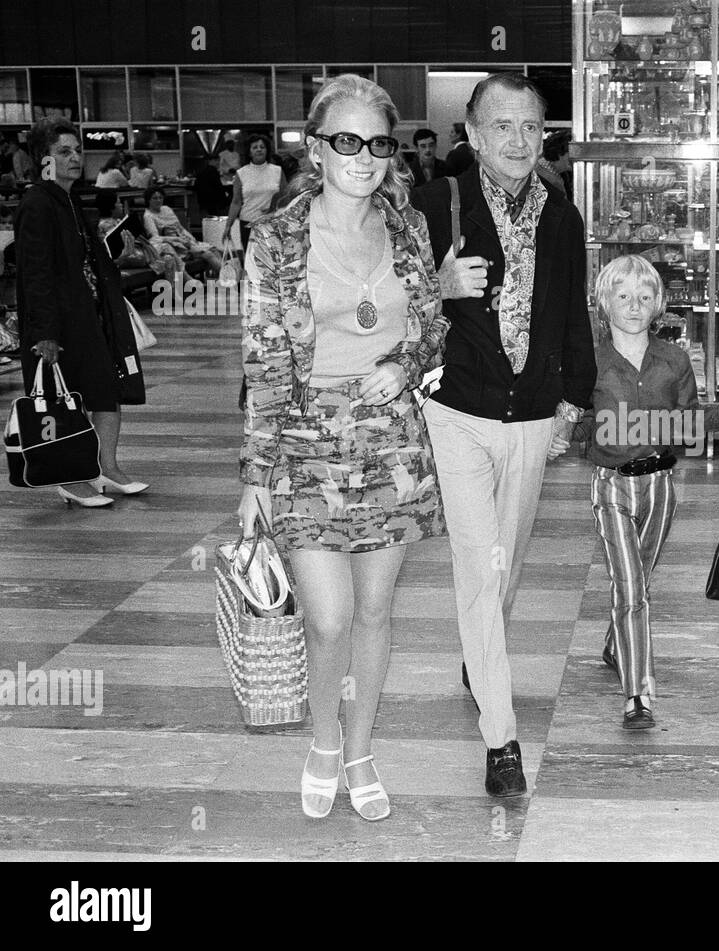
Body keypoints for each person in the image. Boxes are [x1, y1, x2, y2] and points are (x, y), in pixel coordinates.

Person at [237, 74, 449, 823]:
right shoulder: (276, 238)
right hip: (302, 443)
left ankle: (361, 748)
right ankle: (323, 741)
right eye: (347, 141)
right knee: (325, 618)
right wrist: (256, 474)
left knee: (375, 610)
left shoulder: (410, 227)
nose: (364, 157)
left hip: (389, 441)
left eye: (378, 143)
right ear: (315, 148)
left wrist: (408, 361)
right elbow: (262, 359)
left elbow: (432, 323)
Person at [411, 73, 596, 797]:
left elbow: (572, 312)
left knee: (505, 566)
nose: (519, 141)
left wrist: (575, 399)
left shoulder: (561, 214)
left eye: (531, 127)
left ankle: (478, 655)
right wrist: (439, 285)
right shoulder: (434, 205)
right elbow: (387, 305)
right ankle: (502, 737)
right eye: (503, 127)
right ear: (474, 135)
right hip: (455, 409)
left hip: (531, 413)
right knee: (478, 570)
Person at [554, 255, 719, 729]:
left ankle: (616, 645)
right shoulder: (586, 359)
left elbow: (688, 420)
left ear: (659, 305)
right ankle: (639, 695)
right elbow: (575, 420)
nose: (634, 305)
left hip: (661, 488)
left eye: (645, 297)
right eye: (624, 296)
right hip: (611, 486)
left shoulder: (673, 359)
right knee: (630, 589)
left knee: (640, 583)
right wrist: (575, 431)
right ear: (603, 301)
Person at [15, 117, 148, 507]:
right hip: (57, 326)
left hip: (88, 318)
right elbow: (36, 274)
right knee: (60, 403)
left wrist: (113, 258)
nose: (75, 158)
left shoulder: (70, 200)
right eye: (64, 152)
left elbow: (80, 262)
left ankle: (105, 467)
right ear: (43, 160)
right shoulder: (37, 204)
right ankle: (69, 478)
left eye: (77, 150)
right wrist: (44, 334)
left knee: (105, 392)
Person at [223, 133, 287, 250]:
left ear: (267, 151)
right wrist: (228, 226)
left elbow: (286, 198)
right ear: (249, 152)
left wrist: (273, 209)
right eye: (255, 147)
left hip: (272, 223)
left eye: (262, 147)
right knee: (250, 262)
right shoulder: (241, 173)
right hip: (248, 224)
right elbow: (236, 202)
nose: (259, 150)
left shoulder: (277, 171)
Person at [142, 186, 221, 275]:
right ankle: (227, 278)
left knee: (214, 250)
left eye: (160, 198)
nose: (158, 200)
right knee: (208, 254)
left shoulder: (166, 209)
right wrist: (177, 240)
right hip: (174, 246)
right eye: (155, 198)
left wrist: (191, 239)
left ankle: (219, 278)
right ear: (148, 200)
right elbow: (155, 238)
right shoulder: (148, 216)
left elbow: (180, 228)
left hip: (183, 240)